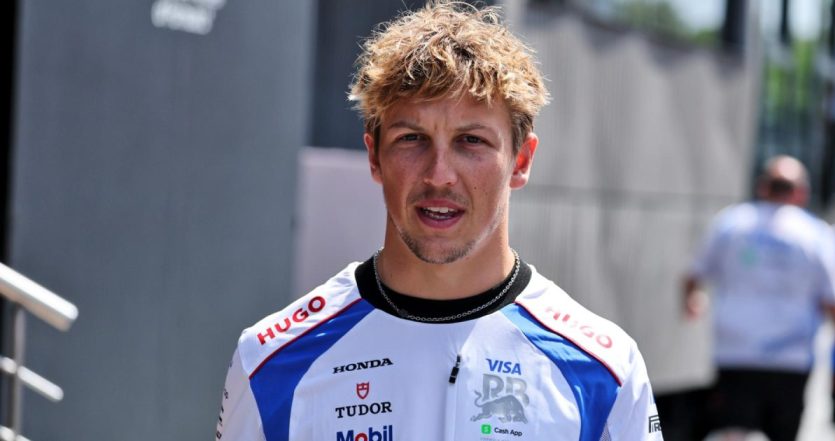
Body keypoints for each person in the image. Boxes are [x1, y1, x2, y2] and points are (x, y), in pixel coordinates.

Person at [215, 2, 662, 440]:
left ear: (521, 161)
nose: (439, 175)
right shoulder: (271, 361)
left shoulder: (604, 373)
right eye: (412, 138)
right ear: (374, 156)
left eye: (471, 141)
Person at [683, 155, 835, 441]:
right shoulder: (815, 234)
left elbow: (694, 274)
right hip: (790, 359)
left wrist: (693, 301)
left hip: (736, 352)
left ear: (762, 187)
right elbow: (833, 302)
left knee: (733, 433)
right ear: (801, 193)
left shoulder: (731, 222)